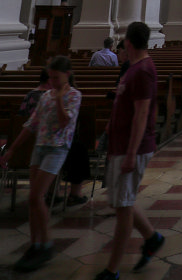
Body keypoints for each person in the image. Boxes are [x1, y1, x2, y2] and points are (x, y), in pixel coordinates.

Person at [95, 22, 164, 280]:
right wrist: (108, 131)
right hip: (121, 144)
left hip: (132, 147)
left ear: (127, 42)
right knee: (120, 201)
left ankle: (112, 270)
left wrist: (132, 152)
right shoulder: (134, 68)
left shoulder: (143, 70)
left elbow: (142, 114)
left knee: (122, 206)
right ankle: (152, 237)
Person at [0, 56, 81, 273]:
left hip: (57, 148)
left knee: (37, 196)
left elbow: (64, 122)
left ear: (67, 75)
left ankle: (46, 244)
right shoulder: (45, 96)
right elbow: (31, 124)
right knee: (34, 200)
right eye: (50, 78)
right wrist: (13, 149)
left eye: (56, 77)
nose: (52, 82)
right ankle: (35, 245)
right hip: (40, 147)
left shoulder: (74, 95)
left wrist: (60, 98)